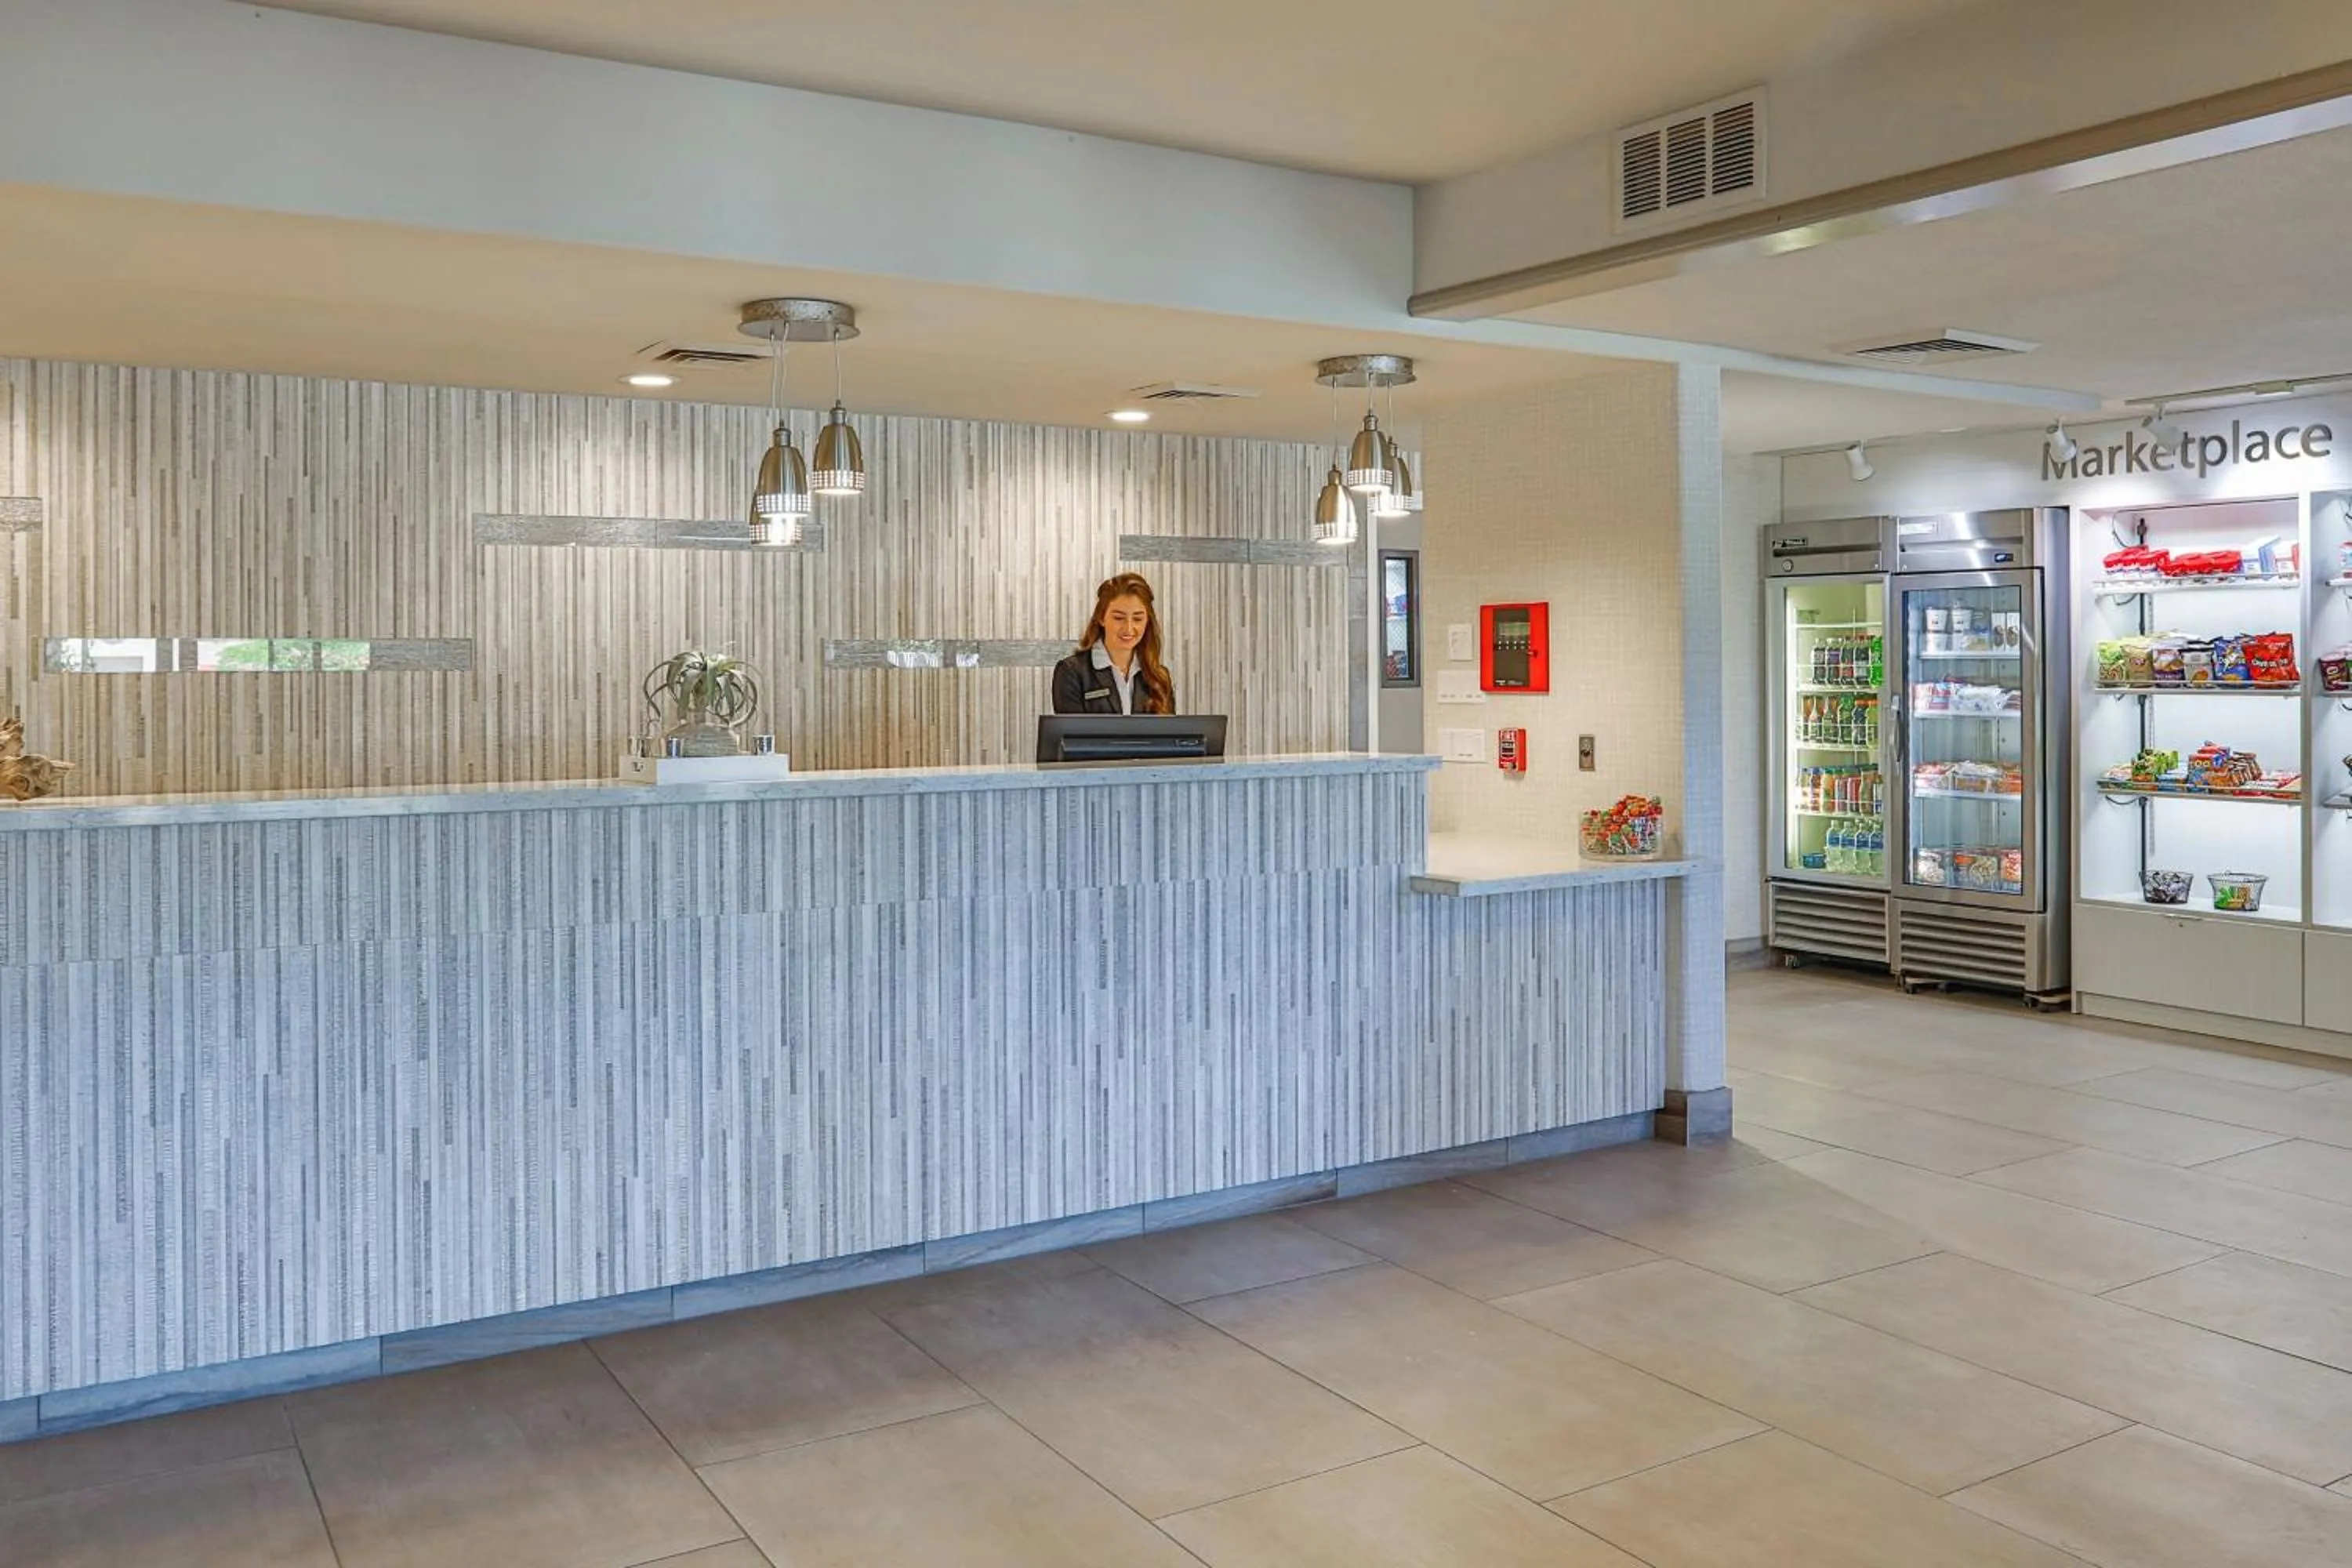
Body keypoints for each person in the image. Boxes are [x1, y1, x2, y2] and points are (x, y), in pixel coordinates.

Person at [1051, 572, 1175, 715]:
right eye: (1119, 618)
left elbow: (1169, 735)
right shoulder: (1072, 672)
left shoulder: (1159, 676)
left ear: (1148, 621)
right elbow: (1071, 735)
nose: (1129, 628)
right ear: (1101, 618)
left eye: (1138, 619)